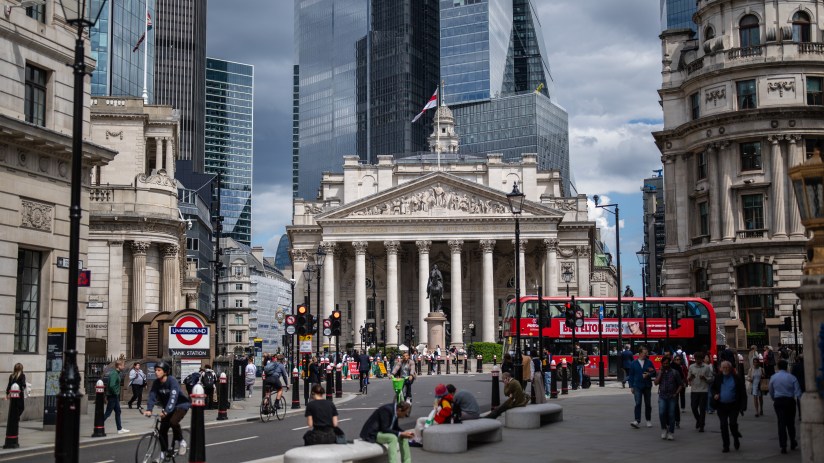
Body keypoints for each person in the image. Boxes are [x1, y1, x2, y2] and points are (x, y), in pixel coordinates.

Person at [144, 360, 190, 461]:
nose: (156, 372)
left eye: (159, 370)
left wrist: (166, 411)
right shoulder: (156, 383)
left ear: (165, 372)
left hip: (180, 405)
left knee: (173, 422)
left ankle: (182, 442)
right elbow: (152, 395)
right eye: (155, 370)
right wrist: (149, 409)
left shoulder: (172, 381)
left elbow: (173, 397)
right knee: (162, 430)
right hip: (168, 408)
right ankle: (163, 453)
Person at [711, 360, 746, 453]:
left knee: (733, 423)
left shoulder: (736, 378)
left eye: (727, 367)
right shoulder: (718, 378)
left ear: (730, 368)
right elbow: (713, 388)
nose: (725, 369)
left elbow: (742, 393)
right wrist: (715, 394)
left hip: (733, 405)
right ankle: (726, 445)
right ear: (720, 369)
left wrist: (743, 406)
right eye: (723, 367)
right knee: (723, 425)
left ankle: (735, 436)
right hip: (721, 406)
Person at [769, 359, 802, 454]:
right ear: (787, 366)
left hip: (778, 401)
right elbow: (797, 391)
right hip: (789, 401)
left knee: (781, 423)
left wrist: (774, 398)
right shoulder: (792, 377)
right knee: (790, 423)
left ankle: (783, 445)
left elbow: (771, 390)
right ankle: (792, 441)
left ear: (778, 367)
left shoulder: (774, 377)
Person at [654, 355, 683, 440]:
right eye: (664, 363)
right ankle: (664, 428)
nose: (665, 365)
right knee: (662, 413)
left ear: (669, 363)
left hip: (672, 396)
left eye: (667, 363)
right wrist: (661, 373)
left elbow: (681, 384)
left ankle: (671, 432)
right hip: (662, 396)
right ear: (662, 363)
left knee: (671, 414)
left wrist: (676, 393)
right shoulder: (659, 372)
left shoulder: (674, 372)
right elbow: (655, 383)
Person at [627, 347, 656, 429]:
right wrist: (631, 386)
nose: (645, 354)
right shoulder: (633, 363)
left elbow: (654, 372)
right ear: (639, 353)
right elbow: (631, 375)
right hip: (637, 386)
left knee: (648, 404)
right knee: (638, 403)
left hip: (647, 385)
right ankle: (637, 420)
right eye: (644, 353)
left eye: (646, 353)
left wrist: (649, 374)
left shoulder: (649, 362)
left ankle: (648, 420)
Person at [687, 351, 713, 432]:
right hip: (694, 390)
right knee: (694, 407)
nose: (698, 361)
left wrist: (705, 378)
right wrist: (691, 377)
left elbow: (711, 379)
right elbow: (688, 379)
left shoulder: (706, 367)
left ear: (702, 359)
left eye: (700, 359)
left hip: (703, 391)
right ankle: (698, 420)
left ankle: (702, 425)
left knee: (702, 409)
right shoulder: (691, 367)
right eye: (696, 359)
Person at [103, 359, 129, 434]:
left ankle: (119, 429)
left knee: (118, 411)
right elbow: (111, 385)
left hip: (114, 396)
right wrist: (116, 392)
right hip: (113, 396)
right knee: (108, 413)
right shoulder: (114, 373)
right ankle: (98, 425)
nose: (124, 367)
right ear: (119, 366)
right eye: (123, 365)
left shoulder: (116, 373)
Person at [671, 353, 688, 427]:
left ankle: (677, 420)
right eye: (676, 360)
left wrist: (684, 382)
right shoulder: (671, 367)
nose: (678, 361)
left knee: (675, 404)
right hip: (671, 387)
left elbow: (683, 375)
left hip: (678, 387)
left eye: (679, 360)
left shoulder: (681, 367)